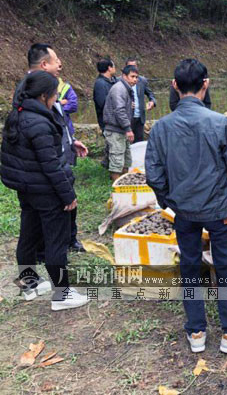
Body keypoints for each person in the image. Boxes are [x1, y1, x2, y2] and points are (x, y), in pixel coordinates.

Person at [145, 58, 227, 354]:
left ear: (175, 86)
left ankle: (196, 332)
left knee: (190, 270)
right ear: (205, 84)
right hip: (220, 211)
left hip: (185, 212)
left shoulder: (161, 127)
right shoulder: (219, 122)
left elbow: (153, 174)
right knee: (225, 270)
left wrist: (170, 200)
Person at [1, 71, 89, 310]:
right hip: (47, 191)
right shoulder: (39, 123)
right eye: (54, 95)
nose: (55, 99)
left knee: (28, 235)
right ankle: (62, 294)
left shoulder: (18, 114)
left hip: (27, 189)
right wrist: (68, 195)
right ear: (43, 96)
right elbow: (51, 165)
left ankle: (29, 284)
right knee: (56, 241)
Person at [14, 43, 87, 253]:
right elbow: (34, 134)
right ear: (44, 64)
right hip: (42, 171)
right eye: (56, 61)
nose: (60, 64)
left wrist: (70, 141)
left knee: (66, 204)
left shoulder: (49, 86)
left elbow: (57, 120)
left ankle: (67, 240)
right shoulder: (27, 90)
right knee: (44, 217)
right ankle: (48, 253)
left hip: (55, 159)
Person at [103, 65, 138, 181]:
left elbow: (121, 107)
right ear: (124, 76)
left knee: (126, 160)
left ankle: (124, 184)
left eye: (136, 77)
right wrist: (128, 129)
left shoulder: (125, 88)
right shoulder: (119, 88)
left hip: (121, 130)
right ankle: (116, 189)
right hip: (115, 130)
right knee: (117, 161)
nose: (135, 80)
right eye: (132, 76)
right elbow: (119, 110)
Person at [124, 58, 156, 143]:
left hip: (140, 118)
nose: (132, 69)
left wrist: (152, 102)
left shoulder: (142, 80)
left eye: (134, 66)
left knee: (139, 143)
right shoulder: (120, 81)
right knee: (127, 144)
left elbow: (150, 94)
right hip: (126, 119)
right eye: (130, 66)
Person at [93, 58, 117, 131]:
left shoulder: (113, 81)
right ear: (109, 68)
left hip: (115, 122)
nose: (115, 69)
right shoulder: (100, 84)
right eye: (114, 66)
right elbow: (103, 104)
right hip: (108, 124)